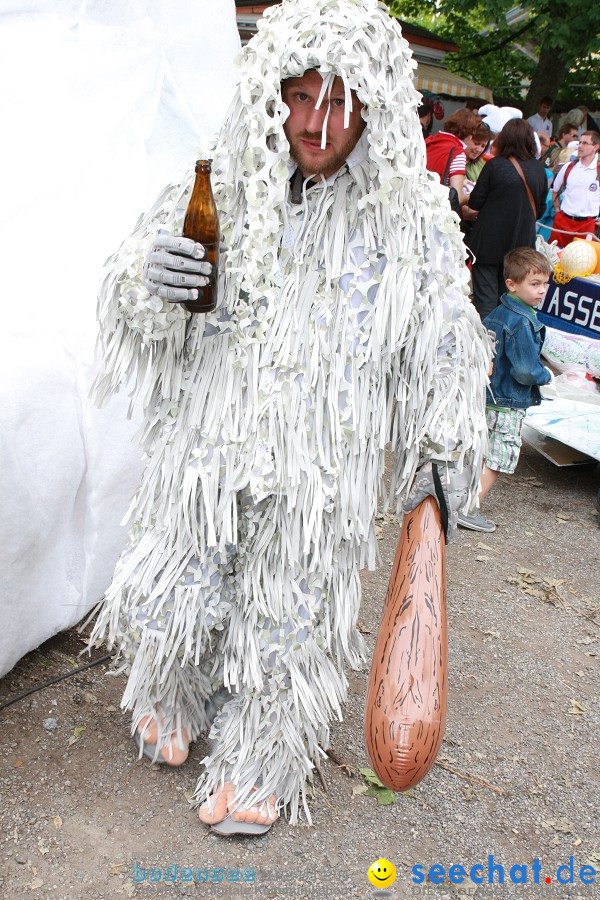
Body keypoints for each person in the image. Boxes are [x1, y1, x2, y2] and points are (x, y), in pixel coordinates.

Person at [88, 0, 490, 835]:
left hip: (318, 465)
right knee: (174, 585)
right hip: (206, 444)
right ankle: (172, 690)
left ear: (373, 106)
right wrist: (148, 283)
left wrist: (445, 450)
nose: (316, 122)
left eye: (338, 101)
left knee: (292, 612)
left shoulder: (409, 216)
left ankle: (263, 758)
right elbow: (137, 297)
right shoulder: (224, 183)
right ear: (271, 93)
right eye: (300, 97)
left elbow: (449, 337)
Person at [459, 248, 553, 532]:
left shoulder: (496, 314)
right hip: (507, 401)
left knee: (478, 451)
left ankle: (458, 499)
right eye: (534, 284)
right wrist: (545, 375)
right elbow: (524, 370)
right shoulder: (523, 322)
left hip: (486, 395)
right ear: (512, 283)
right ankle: (468, 507)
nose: (541, 291)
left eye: (545, 284)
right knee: (499, 457)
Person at [466, 118, 548, 320]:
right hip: (521, 247)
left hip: (487, 244)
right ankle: (504, 346)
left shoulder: (495, 166)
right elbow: (542, 208)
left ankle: (485, 347)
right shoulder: (539, 170)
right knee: (511, 303)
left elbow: (475, 201)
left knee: (485, 301)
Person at [549, 130, 600, 247]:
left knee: (582, 263)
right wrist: (558, 212)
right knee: (554, 257)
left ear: (595, 147)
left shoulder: (598, 171)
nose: (580, 146)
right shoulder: (568, 167)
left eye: (585, 143)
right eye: (580, 143)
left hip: (587, 225)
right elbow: (555, 190)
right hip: (563, 221)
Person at [425, 108, 481, 207]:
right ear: (470, 135)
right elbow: (457, 197)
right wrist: (471, 195)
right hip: (434, 207)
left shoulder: (429, 141)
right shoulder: (457, 152)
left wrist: (462, 181)